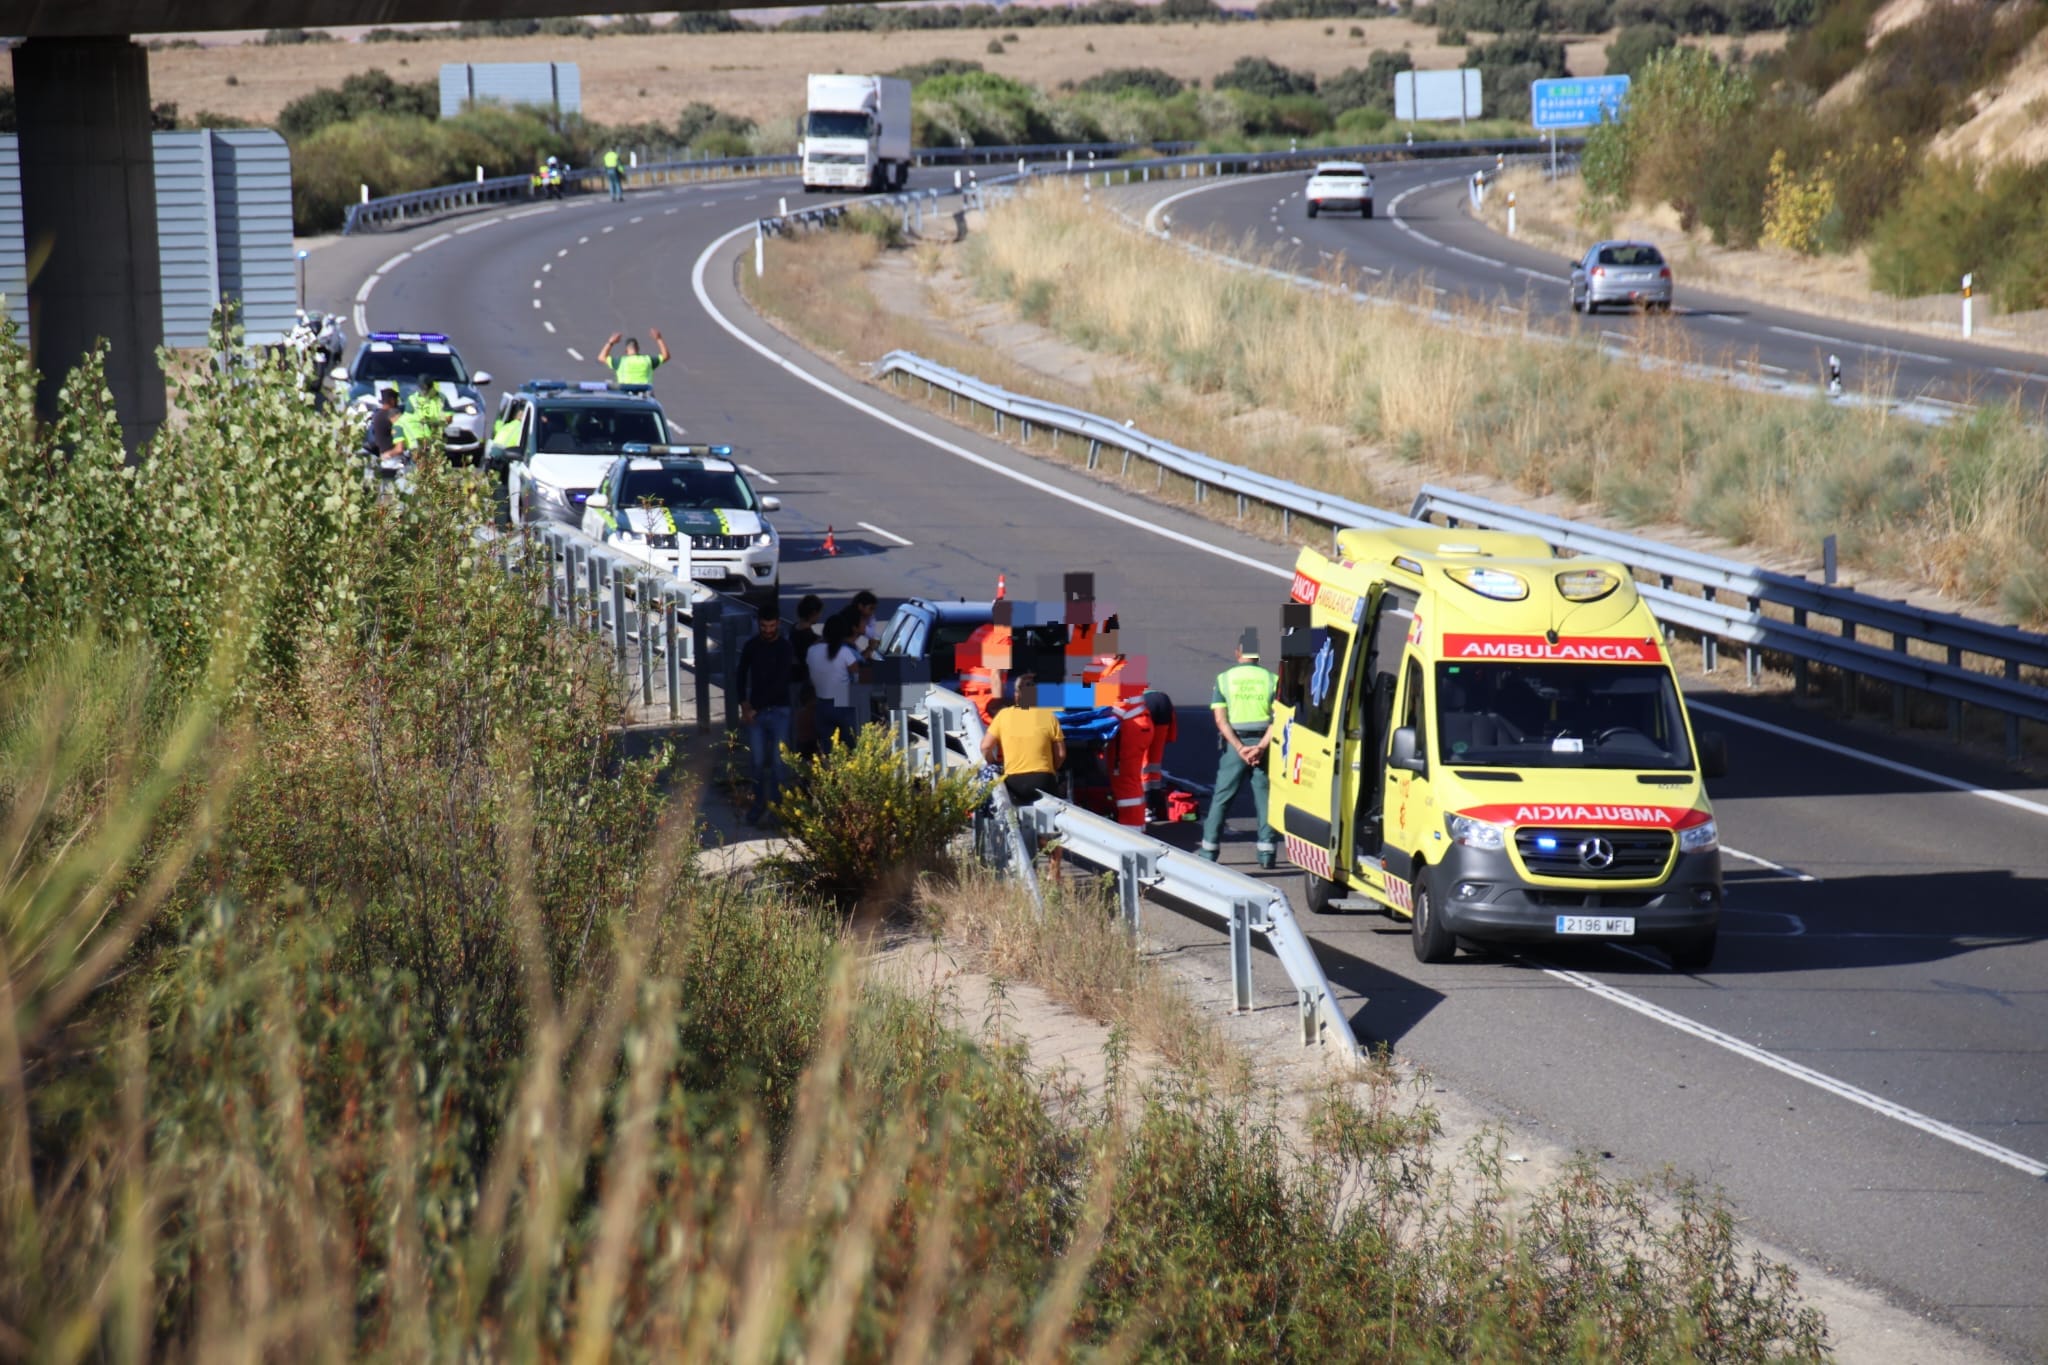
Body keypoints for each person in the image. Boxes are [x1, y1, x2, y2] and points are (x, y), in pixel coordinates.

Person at [1199, 630, 1279, 868]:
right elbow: (1279, 718)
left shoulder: (1224, 679)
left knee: (1222, 798)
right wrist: (1261, 747)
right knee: (1265, 800)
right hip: (1264, 746)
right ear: (1258, 655)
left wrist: (1240, 748)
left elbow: (1221, 720)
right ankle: (1266, 854)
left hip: (1236, 745)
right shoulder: (1272, 679)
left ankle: (1209, 852)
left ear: (1238, 653)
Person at [736, 605, 799, 826]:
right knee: (757, 761)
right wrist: (744, 703)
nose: (768, 630)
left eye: (772, 626)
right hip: (756, 713)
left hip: (779, 710)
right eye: (764, 626)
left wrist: (754, 707)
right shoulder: (752, 646)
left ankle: (777, 809)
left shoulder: (785, 648)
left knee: (779, 763)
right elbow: (741, 674)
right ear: (759, 624)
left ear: (778, 625)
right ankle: (759, 804)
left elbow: (781, 682)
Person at [980, 675, 1065, 808]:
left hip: (1015, 781)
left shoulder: (1003, 715)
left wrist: (994, 762)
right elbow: (1060, 754)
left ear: (1016, 694)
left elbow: (985, 747)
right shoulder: (1049, 716)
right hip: (1043, 779)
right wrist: (1051, 768)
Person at [805, 615, 863, 751]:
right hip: (844, 700)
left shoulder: (812, 651)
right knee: (851, 746)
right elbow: (856, 673)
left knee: (828, 749)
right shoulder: (844, 652)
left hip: (820, 702)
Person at [598, 330, 669, 387]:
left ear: (626, 351)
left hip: (625, 396)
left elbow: (601, 357)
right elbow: (666, 356)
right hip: (645, 397)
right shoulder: (648, 360)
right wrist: (659, 339)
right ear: (638, 349)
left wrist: (610, 342)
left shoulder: (620, 362)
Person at [828, 589, 882, 659]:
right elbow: (858, 664)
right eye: (871, 609)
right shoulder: (846, 649)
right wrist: (870, 649)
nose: (872, 614)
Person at [364, 386, 407, 462]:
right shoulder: (392, 416)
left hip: (384, 456)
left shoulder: (377, 415)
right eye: (396, 400)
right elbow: (399, 447)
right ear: (392, 400)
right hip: (394, 457)